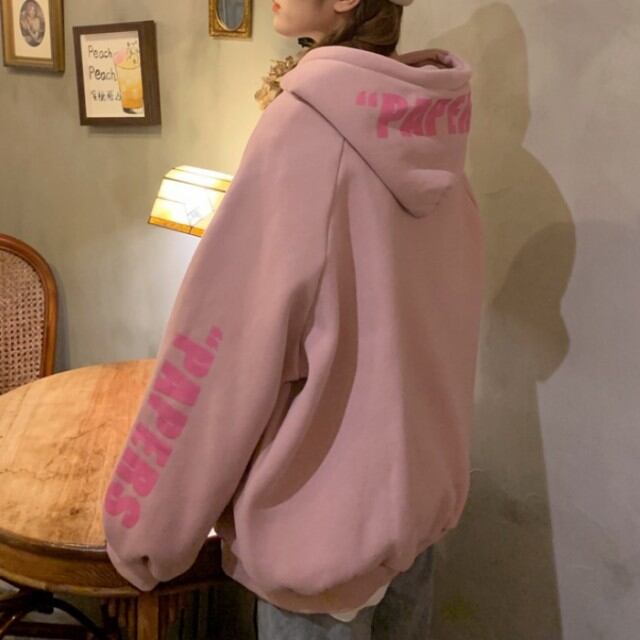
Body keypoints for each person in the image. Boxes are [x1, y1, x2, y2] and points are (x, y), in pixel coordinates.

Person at [102, 0, 485, 636]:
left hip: (321, 544)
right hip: (413, 522)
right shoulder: (431, 128)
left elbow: (218, 353)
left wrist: (143, 530)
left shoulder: (305, 129)